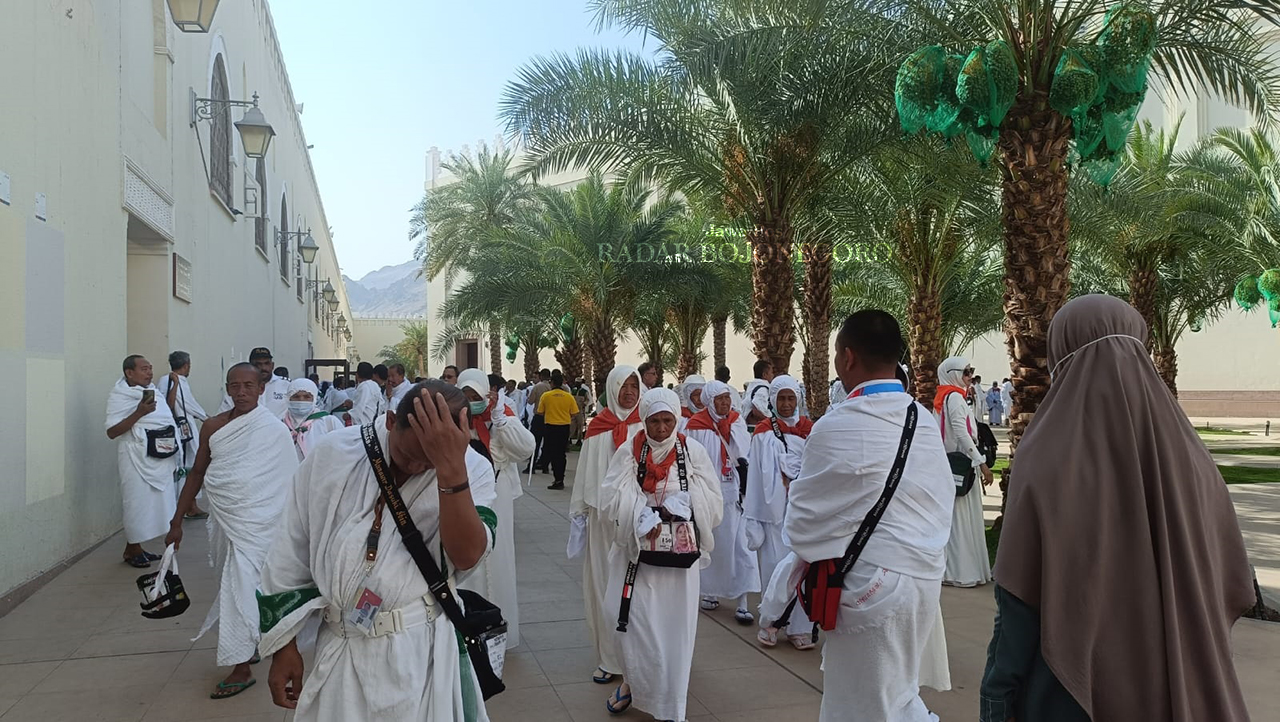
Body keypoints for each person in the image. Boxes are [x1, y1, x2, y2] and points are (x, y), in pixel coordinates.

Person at [981, 294, 1257, 722]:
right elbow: (1230, 578)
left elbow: (1018, 598)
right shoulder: (1191, 457)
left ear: (1061, 352)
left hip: (1072, 692)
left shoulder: (1047, 453)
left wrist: (997, 696)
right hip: (1180, 681)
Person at [256, 382, 498, 720]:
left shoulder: (472, 468)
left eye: (427, 464)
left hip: (419, 650)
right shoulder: (333, 454)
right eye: (409, 456)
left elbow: (467, 557)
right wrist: (283, 645)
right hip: (341, 647)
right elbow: (291, 548)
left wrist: (450, 470)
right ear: (389, 421)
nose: (415, 469)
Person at [783, 310, 953, 722]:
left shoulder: (835, 425)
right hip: (923, 579)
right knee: (894, 695)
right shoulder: (924, 420)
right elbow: (940, 497)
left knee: (864, 706)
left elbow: (802, 524)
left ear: (847, 357)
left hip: (866, 587)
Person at [166, 363, 299, 699]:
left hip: (264, 525)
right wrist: (176, 521)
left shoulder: (273, 429)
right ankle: (246, 649)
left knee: (246, 589)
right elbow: (197, 473)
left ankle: (241, 664)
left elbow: (289, 481)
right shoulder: (212, 427)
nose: (241, 392)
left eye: (248, 386)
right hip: (228, 523)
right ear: (227, 389)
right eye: (235, 386)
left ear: (261, 389)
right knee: (232, 586)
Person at [600, 387, 724, 721]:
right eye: (654, 421)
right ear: (645, 420)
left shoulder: (692, 451)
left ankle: (670, 701)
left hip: (676, 563)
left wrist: (679, 507)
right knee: (625, 619)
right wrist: (639, 515)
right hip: (636, 555)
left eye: (667, 420)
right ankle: (632, 682)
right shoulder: (630, 450)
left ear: (677, 419)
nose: (660, 429)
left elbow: (712, 499)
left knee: (672, 628)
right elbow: (612, 496)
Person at [569, 365, 644, 685]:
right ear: (611, 389)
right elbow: (585, 472)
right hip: (603, 523)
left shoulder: (648, 425)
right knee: (603, 585)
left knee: (640, 591)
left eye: (634, 385)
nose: (629, 391)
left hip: (640, 521)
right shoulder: (598, 427)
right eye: (623, 385)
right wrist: (579, 514)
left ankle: (640, 658)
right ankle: (609, 658)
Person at [458, 369, 535, 649]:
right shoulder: (453, 419)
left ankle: (498, 631)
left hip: (496, 493)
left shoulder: (499, 418)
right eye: (465, 396)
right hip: (462, 495)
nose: (471, 401)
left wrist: (502, 421)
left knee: (498, 557)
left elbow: (526, 448)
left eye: (475, 396)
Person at [744, 375, 815, 650]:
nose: (786, 404)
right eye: (781, 398)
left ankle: (799, 627)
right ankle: (771, 623)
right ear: (772, 401)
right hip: (773, 516)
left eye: (791, 398)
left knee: (802, 572)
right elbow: (756, 479)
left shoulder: (811, 430)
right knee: (775, 569)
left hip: (801, 513)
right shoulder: (763, 432)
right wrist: (754, 515)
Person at [685, 379, 758, 623]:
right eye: (719, 399)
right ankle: (710, 593)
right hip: (710, 496)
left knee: (741, 548)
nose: (725, 403)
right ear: (710, 401)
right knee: (713, 546)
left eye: (727, 398)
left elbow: (745, 454)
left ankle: (742, 601)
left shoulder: (736, 422)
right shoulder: (696, 426)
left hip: (736, 494)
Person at [106, 354, 181, 568]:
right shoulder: (120, 396)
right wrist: (139, 412)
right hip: (134, 457)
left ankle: (137, 548)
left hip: (158, 456)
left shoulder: (153, 392)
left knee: (158, 503)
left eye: (150, 368)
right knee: (136, 504)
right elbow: (112, 431)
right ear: (129, 373)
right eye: (144, 369)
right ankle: (132, 548)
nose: (149, 373)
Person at [935, 356, 994, 588]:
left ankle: (953, 570)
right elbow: (961, 433)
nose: (969, 376)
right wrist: (981, 462)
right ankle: (962, 571)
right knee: (961, 519)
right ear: (954, 373)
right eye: (966, 372)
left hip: (949, 465)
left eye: (971, 372)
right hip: (963, 465)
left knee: (954, 519)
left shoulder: (943, 397)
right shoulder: (955, 399)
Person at [159, 350, 210, 520]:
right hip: (180, 430)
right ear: (186, 365)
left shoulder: (173, 380)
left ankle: (189, 504)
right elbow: (180, 404)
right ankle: (188, 505)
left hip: (178, 430)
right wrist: (206, 418)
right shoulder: (173, 380)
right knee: (188, 464)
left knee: (187, 464)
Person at [218, 347, 289, 419]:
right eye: (258, 364)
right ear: (250, 366)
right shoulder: (238, 390)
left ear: (272, 365)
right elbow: (222, 418)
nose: (263, 368)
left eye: (266, 363)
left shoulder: (287, 386)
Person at [283, 378, 345, 461]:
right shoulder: (281, 425)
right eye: (296, 397)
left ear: (314, 399)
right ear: (288, 399)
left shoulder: (329, 422)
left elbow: (343, 451)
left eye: (307, 397)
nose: (301, 400)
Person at [537, 370, 579, 490]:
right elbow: (575, 413)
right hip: (564, 427)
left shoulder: (546, 396)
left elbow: (540, 412)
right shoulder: (569, 397)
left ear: (553, 383)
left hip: (550, 426)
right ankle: (560, 478)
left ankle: (556, 478)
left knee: (552, 452)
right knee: (561, 454)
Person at [524, 369, 553, 470]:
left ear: (540, 376)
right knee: (548, 443)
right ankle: (545, 466)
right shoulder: (551, 387)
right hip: (550, 418)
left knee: (535, 442)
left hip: (539, 417)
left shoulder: (537, 387)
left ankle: (531, 466)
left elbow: (531, 401)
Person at [350, 362, 386, 426]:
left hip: (363, 423)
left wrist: (349, 414)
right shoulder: (375, 386)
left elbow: (359, 407)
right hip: (374, 422)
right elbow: (381, 404)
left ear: (357, 375)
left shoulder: (364, 386)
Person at [570, 377, 595, 446]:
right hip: (573, 411)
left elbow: (588, 400)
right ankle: (570, 439)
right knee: (572, 425)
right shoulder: (573, 391)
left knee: (580, 425)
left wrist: (584, 404)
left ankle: (579, 439)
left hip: (581, 410)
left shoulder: (584, 391)